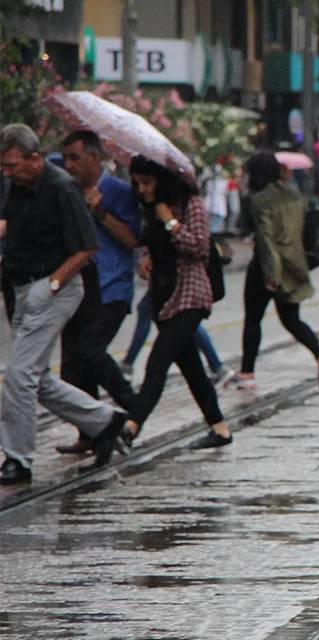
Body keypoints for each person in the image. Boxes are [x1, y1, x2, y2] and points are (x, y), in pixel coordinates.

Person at [0, 124, 129, 483]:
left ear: (35, 159)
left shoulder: (61, 188)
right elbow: (8, 222)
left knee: (19, 375)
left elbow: (87, 247)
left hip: (56, 287)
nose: (6, 172)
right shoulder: (18, 187)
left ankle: (18, 458)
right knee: (35, 379)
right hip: (21, 286)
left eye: (12, 165)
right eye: (3, 166)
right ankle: (104, 420)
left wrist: (53, 283)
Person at [120, 156, 232, 450]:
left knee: (157, 363)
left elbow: (198, 246)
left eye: (147, 182)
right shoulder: (150, 209)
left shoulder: (189, 204)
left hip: (191, 295)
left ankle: (132, 426)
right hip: (164, 298)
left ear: (162, 180)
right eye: (137, 183)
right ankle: (220, 429)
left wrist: (169, 219)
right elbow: (148, 244)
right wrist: (145, 260)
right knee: (192, 368)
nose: (141, 189)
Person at [54, 131, 142, 455]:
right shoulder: (67, 191)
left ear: (94, 157)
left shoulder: (118, 192)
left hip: (111, 287)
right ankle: (89, 433)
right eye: (66, 158)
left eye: (76, 157)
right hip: (75, 287)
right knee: (73, 365)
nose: (69, 164)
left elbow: (133, 240)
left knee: (91, 351)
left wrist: (102, 212)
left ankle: (134, 408)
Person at [223, 152, 319, 392]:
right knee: (291, 319)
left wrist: (271, 275)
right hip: (294, 265)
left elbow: (266, 240)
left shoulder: (259, 200)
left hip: (266, 268)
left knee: (253, 319)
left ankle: (247, 373)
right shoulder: (295, 195)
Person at [121, 290, 231, 384]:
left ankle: (128, 364)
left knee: (186, 317)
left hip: (176, 275)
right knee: (186, 316)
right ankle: (217, 366)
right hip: (179, 276)